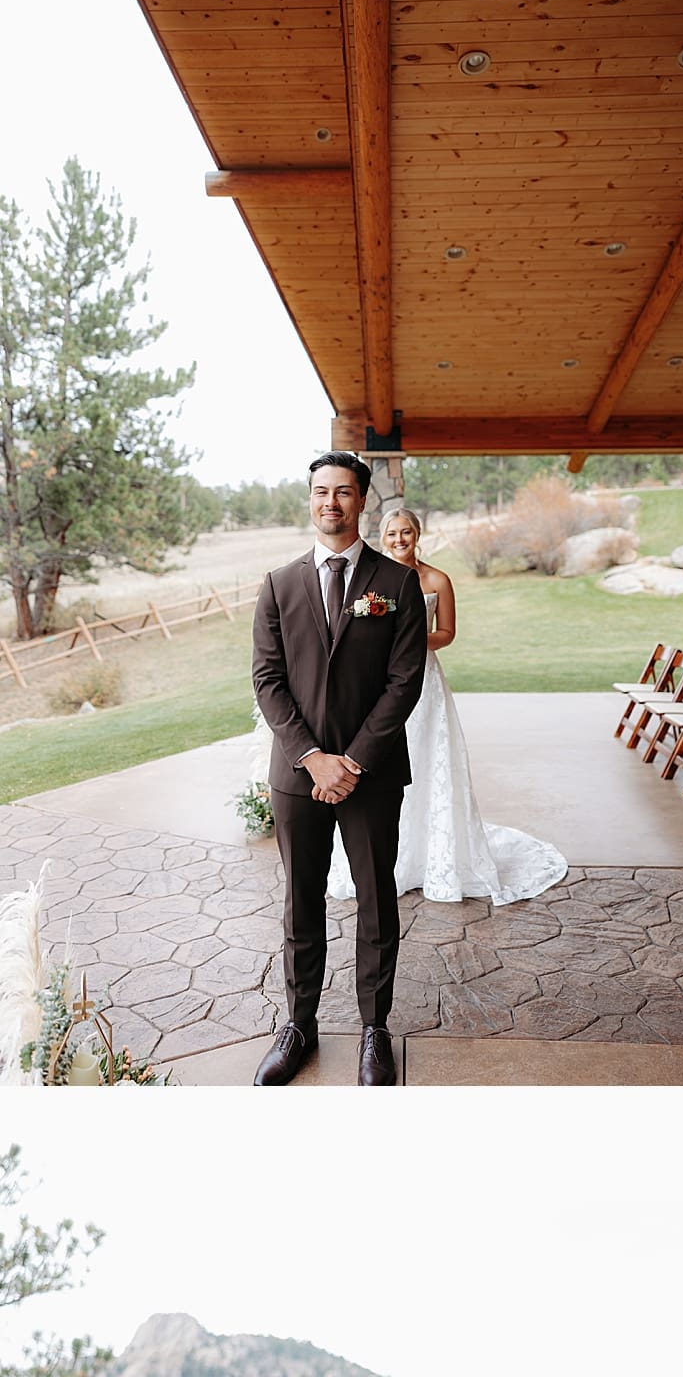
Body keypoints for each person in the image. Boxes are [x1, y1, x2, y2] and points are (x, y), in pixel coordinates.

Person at [250, 452, 427, 1086]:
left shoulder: (397, 585)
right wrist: (314, 758)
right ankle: (299, 1024)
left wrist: (351, 760)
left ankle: (375, 1030)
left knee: (378, 902)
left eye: (344, 492)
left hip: (371, 774)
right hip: (298, 775)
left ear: (362, 501)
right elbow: (268, 680)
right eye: (321, 492)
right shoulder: (278, 583)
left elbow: (405, 681)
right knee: (301, 901)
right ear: (310, 500)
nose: (331, 502)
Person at [328, 510, 567, 907]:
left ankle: (434, 858)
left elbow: (447, 633)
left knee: (428, 762)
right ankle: (384, 859)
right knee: (379, 762)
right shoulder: (371, 578)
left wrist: (407, 640)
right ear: (382, 537)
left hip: (424, 681)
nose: (399, 539)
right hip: (377, 684)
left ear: (418, 534)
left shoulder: (437, 579)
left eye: (406, 532)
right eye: (392, 533)